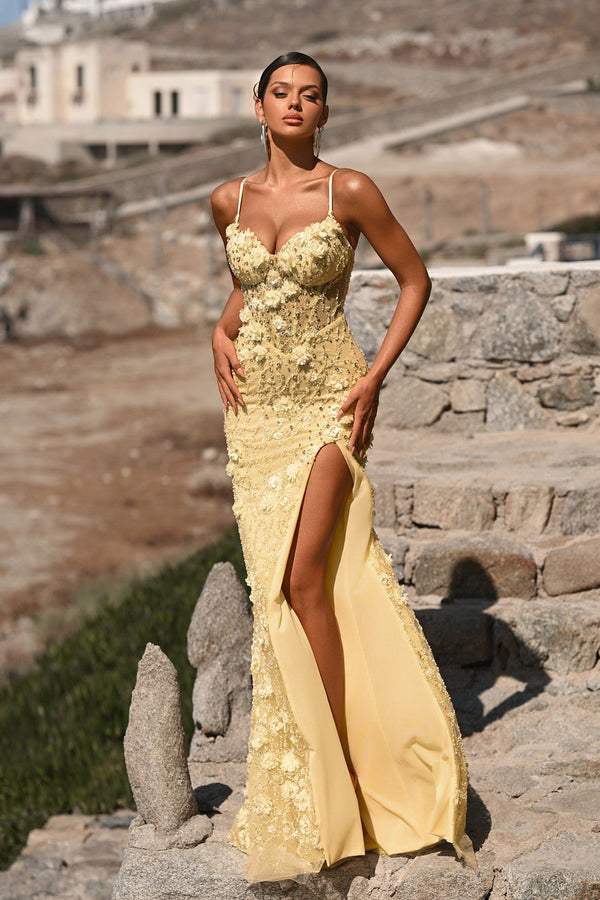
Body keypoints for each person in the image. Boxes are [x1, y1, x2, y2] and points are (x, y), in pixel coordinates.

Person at [210, 50, 475, 884]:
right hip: (255, 418)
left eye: (311, 95)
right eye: (281, 92)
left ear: (324, 112)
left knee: (304, 581)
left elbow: (414, 280)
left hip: (329, 402)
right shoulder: (227, 200)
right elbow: (253, 291)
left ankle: (357, 775)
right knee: (278, 592)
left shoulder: (349, 191)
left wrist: (374, 378)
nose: (295, 104)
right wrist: (217, 331)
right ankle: (325, 772)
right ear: (258, 106)